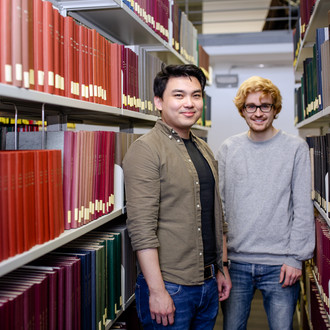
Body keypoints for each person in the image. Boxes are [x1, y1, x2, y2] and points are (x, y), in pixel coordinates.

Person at [123, 64, 231, 329]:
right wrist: (158, 291)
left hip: (208, 283)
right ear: (159, 101)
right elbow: (142, 230)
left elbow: (216, 215)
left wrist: (221, 267)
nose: (190, 103)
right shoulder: (146, 150)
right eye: (179, 95)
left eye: (196, 95)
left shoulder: (203, 147)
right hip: (172, 287)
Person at [216, 75, 315, 330]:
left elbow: (303, 207)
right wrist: (222, 262)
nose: (258, 113)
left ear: (275, 109)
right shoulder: (228, 148)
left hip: (281, 265)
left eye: (265, 106)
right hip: (236, 264)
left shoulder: (296, 148)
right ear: (242, 110)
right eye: (251, 106)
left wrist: (296, 258)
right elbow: (221, 207)